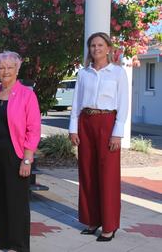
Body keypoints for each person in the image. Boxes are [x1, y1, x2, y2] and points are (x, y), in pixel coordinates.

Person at [68, 32, 128, 242]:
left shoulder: (118, 72)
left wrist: (117, 133)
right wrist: (73, 129)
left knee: (108, 175)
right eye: (92, 45)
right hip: (86, 122)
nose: (96, 49)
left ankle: (109, 225)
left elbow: (123, 104)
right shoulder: (84, 73)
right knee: (87, 173)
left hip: (107, 123)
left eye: (100, 45)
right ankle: (92, 220)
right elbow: (76, 102)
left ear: (108, 48)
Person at [0, 51, 41, 252]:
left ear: (17, 70)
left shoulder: (27, 94)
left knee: (16, 201)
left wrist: (27, 159)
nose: (5, 71)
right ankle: (2, 239)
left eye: (10, 67)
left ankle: (19, 244)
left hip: (15, 155)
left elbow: (33, 129)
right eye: (1, 67)